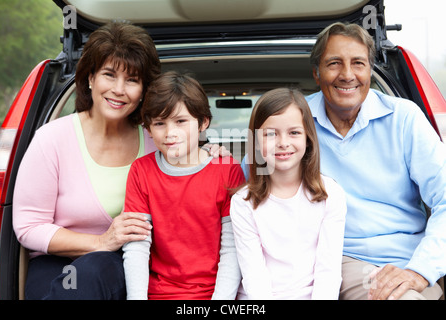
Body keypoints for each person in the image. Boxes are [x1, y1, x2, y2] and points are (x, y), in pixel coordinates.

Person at [12, 22, 226, 300]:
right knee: (82, 276)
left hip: (125, 262)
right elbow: (28, 227)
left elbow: (195, 169)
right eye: (109, 75)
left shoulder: (157, 138)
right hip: (57, 262)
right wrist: (102, 241)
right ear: (90, 78)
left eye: (132, 80)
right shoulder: (51, 139)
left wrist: (214, 152)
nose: (119, 89)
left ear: (143, 90)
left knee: (97, 268)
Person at [308, 22, 446, 300]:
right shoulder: (295, 120)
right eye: (334, 63)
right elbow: (250, 188)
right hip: (339, 258)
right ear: (316, 73)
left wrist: (421, 270)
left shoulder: (405, 117)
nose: (347, 75)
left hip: (412, 259)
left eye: (358, 63)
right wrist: (212, 156)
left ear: (370, 69)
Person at [122, 71, 245, 300]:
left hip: (216, 293)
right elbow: (137, 246)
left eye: (181, 121)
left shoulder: (228, 170)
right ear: (148, 128)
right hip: (159, 293)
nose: (170, 133)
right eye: (159, 123)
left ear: (203, 123)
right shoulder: (141, 170)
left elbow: (233, 248)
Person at [231, 88, 347, 300]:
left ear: (308, 138)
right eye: (270, 134)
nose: (283, 142)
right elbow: (254, 275)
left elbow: (328, 270)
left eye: (294, 132)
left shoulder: (331, 194)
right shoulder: (243, 202)